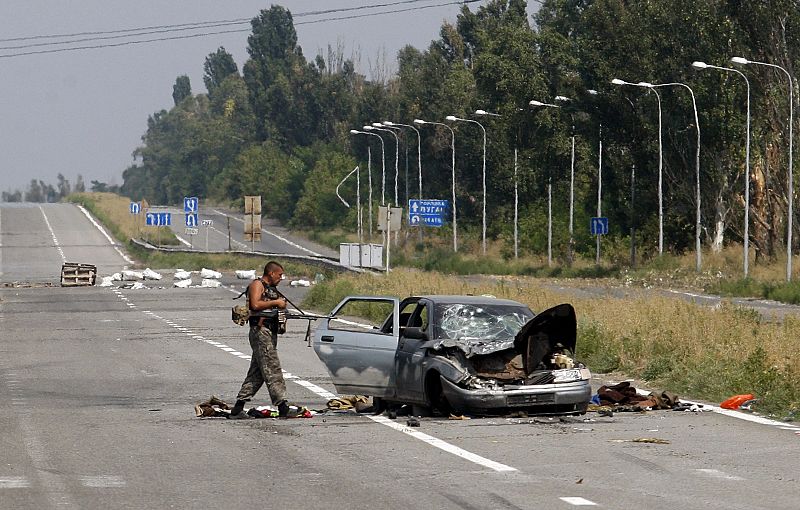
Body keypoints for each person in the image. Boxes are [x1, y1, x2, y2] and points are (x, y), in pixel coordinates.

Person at [228, 260, 290, 419]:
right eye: (280, 275)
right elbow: (255, 305)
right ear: (271, 273)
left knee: (257, 373)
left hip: (269, 331)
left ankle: (238, 407)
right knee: (272, 367)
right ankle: (283, 406)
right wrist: (276, 302)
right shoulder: (257, 284)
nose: (281, 278)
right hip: (260, 331)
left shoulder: (272, 289)